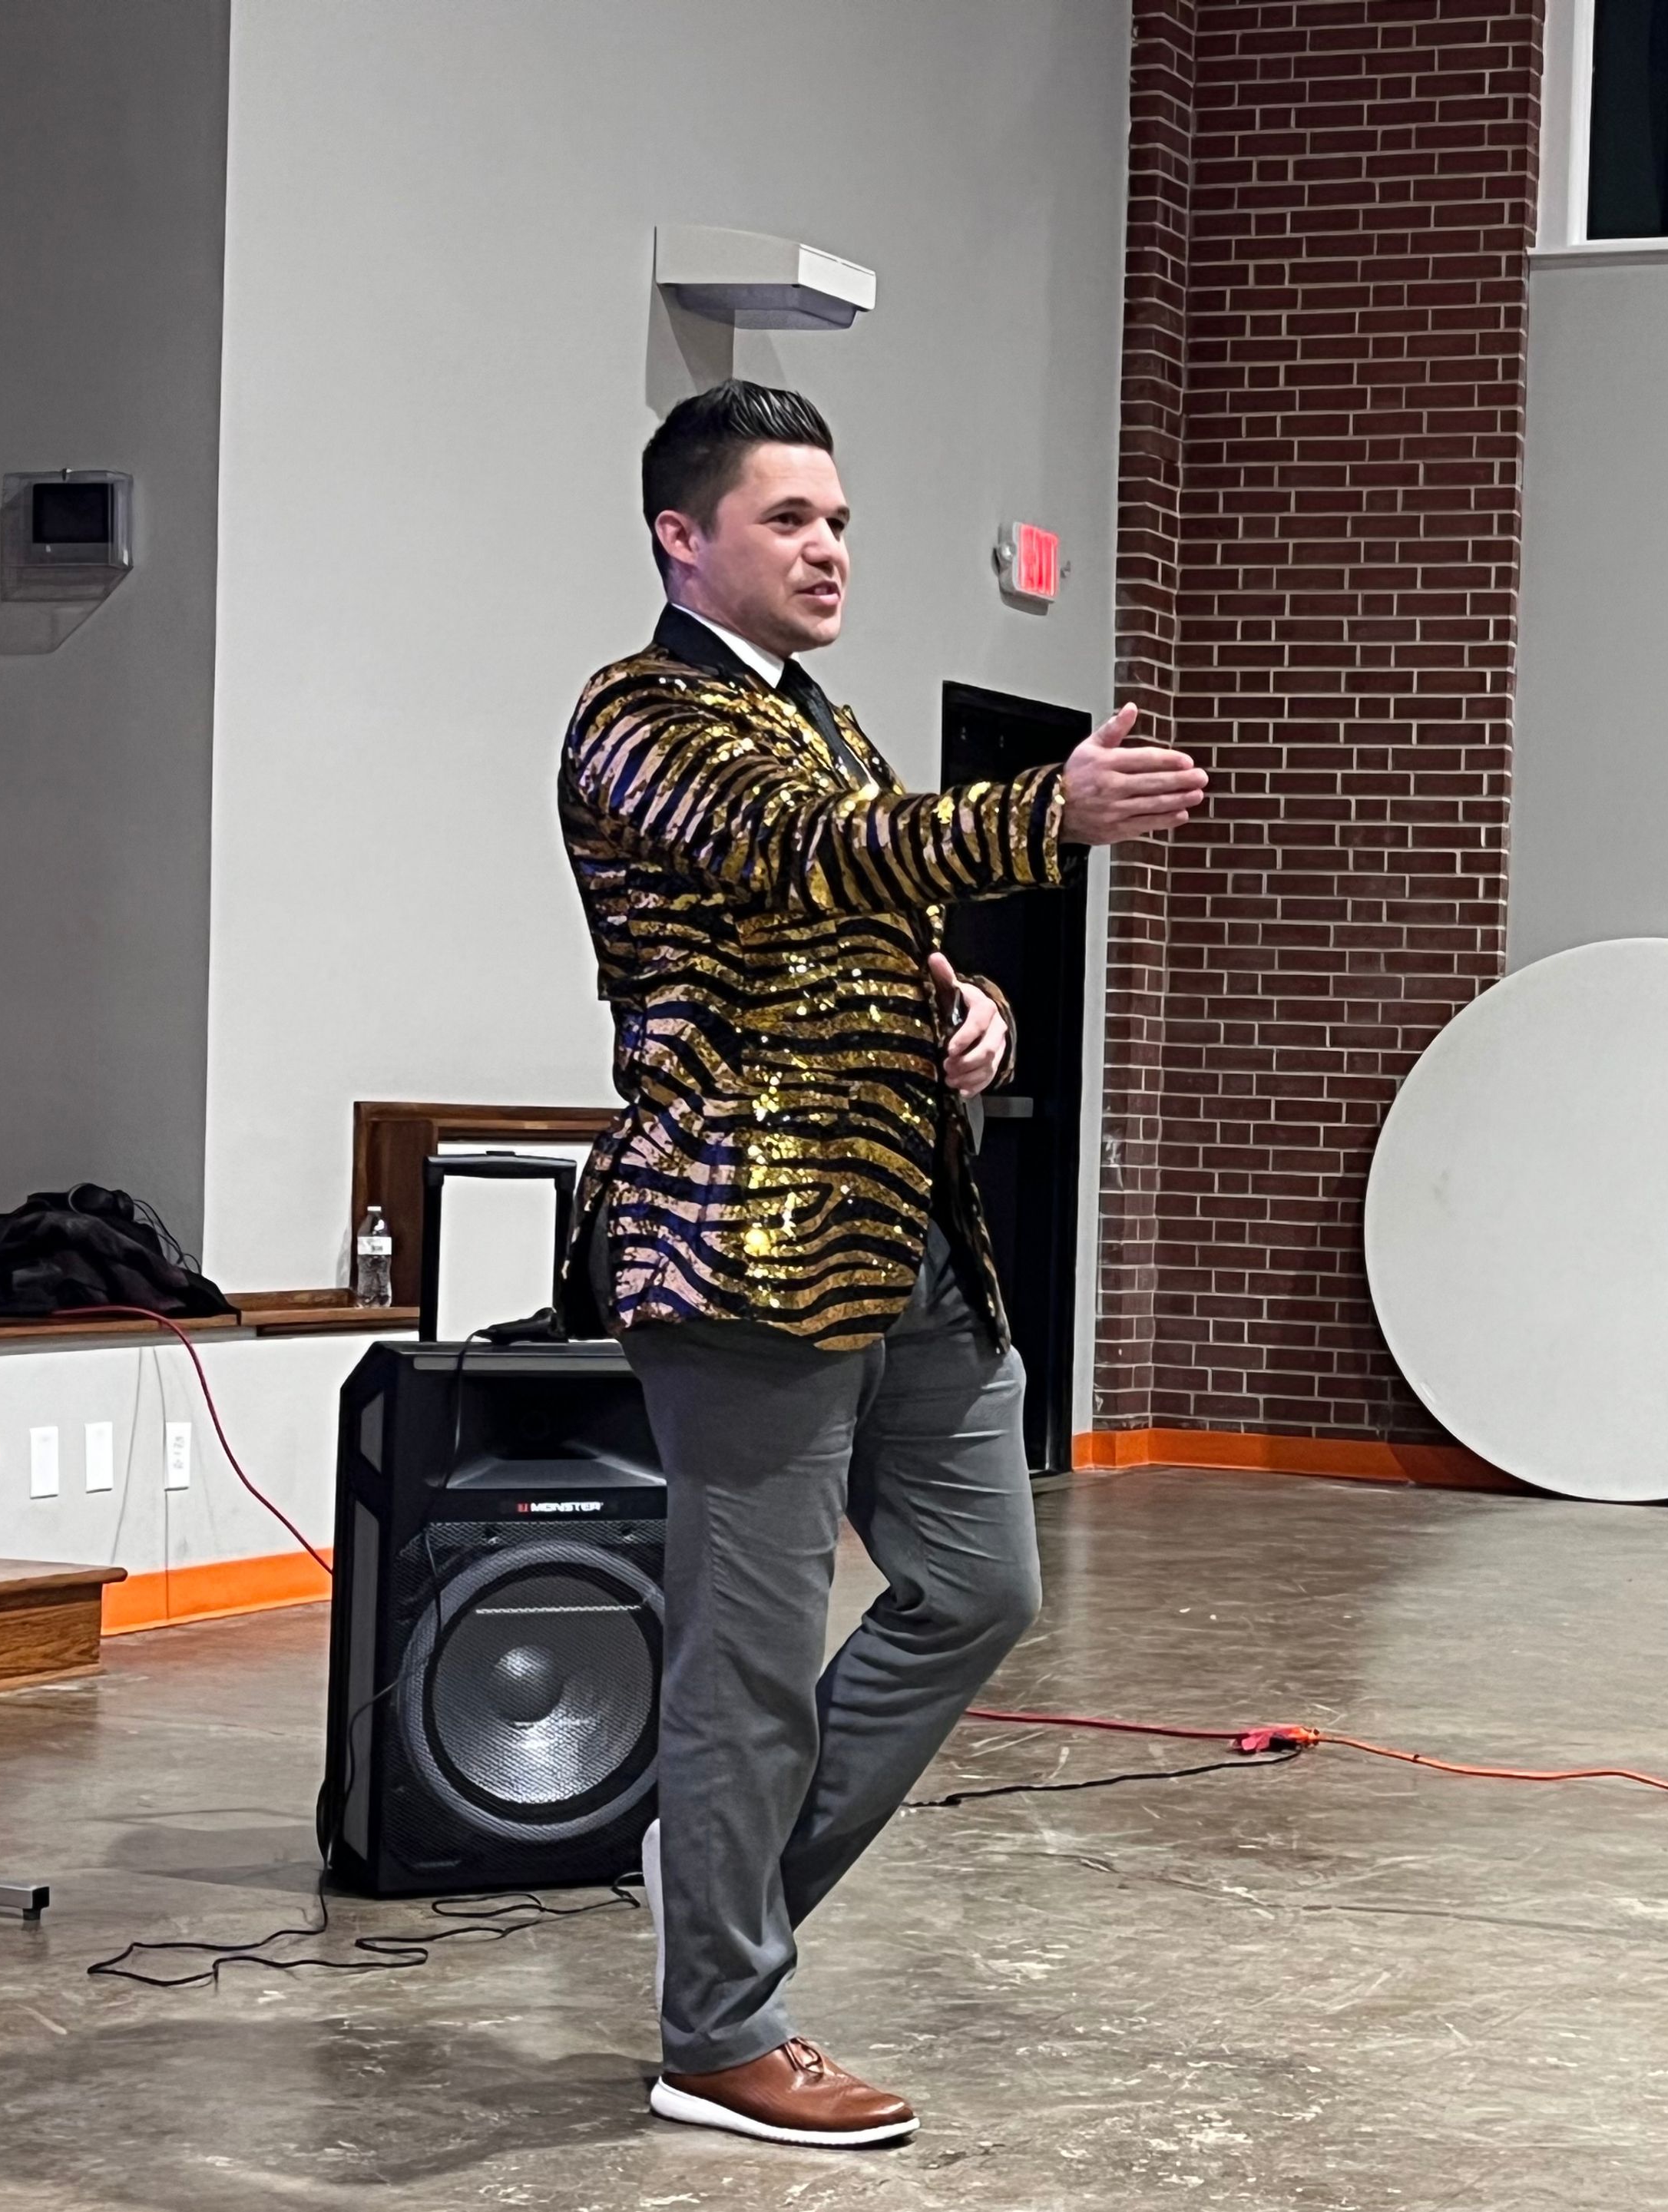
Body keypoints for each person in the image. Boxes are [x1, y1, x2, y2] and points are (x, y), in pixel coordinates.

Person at [558, 379, 1206, 2148]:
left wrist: (980, 1010)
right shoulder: (644, 717)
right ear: (684, 539)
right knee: (752, 1663)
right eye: (790, 519)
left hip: (911, 1236)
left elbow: (873, 935)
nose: (830, 545)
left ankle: (714, 1876)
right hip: (745, 1248)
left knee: (979, 1587)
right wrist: (1044, 815)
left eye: (839, 518)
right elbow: (812, 856)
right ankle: (719, 2032)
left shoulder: (823, 716)